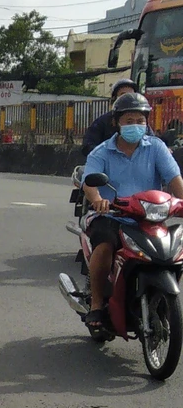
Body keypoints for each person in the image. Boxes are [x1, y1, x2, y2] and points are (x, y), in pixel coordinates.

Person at [81, 91, 183, 335]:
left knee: (173, 251)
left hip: (150, 217)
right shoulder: (101, 152)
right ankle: (96, 303)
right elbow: (89, 184)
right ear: (116, 122)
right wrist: (98, 201)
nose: (136, 125)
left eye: (140, 120)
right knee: (104, 245)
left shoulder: (157, 148)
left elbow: (174, 179)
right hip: (111, 216)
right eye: (129, 121)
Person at [81, 79, 140, 155]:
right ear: (115, 99)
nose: (128, 99)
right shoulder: (102, 122)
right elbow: (87, 146)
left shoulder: (141, 123)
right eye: (123, 95)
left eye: (131, 95)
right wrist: (108, 154)